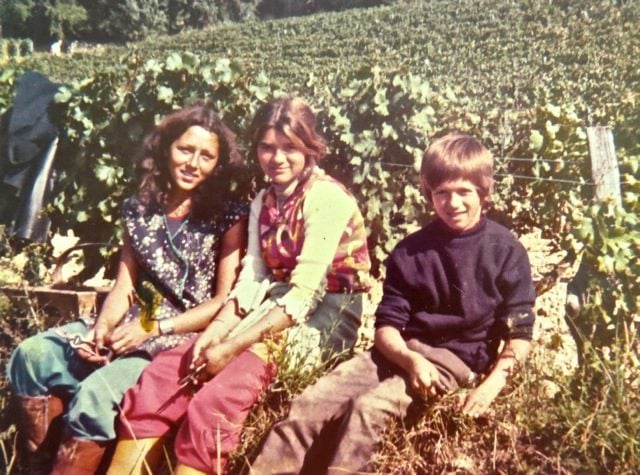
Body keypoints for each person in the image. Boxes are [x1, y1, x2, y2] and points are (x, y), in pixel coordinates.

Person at [108, 96, 372, 474]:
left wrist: (232, 346)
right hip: (273, 304)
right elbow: (253, 278)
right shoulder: (263, 200)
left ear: (310, 148)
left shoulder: (325, 198)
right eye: (267, 147)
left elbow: (304, 295)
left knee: (216, 398)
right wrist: (212, 334)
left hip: (326, 315)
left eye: (289, 148)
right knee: (168, 371)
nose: (277, 158)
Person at [247, 132, 537, 474]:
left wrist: (492, 385)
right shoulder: (411, 250)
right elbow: (387, 326)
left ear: (484, 192)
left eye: (464, 192)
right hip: (399, 352)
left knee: (369, 411)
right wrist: (409, 359)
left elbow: (520, 334)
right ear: (429, 194)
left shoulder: (504, 250)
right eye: (442, 193)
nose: (453, 203)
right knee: (311, 403)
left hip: (454, 361)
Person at [7, 105, 248, 474]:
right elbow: (124, 285)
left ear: (218, 165)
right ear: (166, 148)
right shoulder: (138, 209)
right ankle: (36, 466)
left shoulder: (227, 216)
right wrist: (101, 330)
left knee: (94, 397)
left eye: (206, 156)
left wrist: (150, 330)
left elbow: (222, 300)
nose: (193, 163)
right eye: (185, 150)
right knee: (32, 355)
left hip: (173, 337)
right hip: (134, 323)